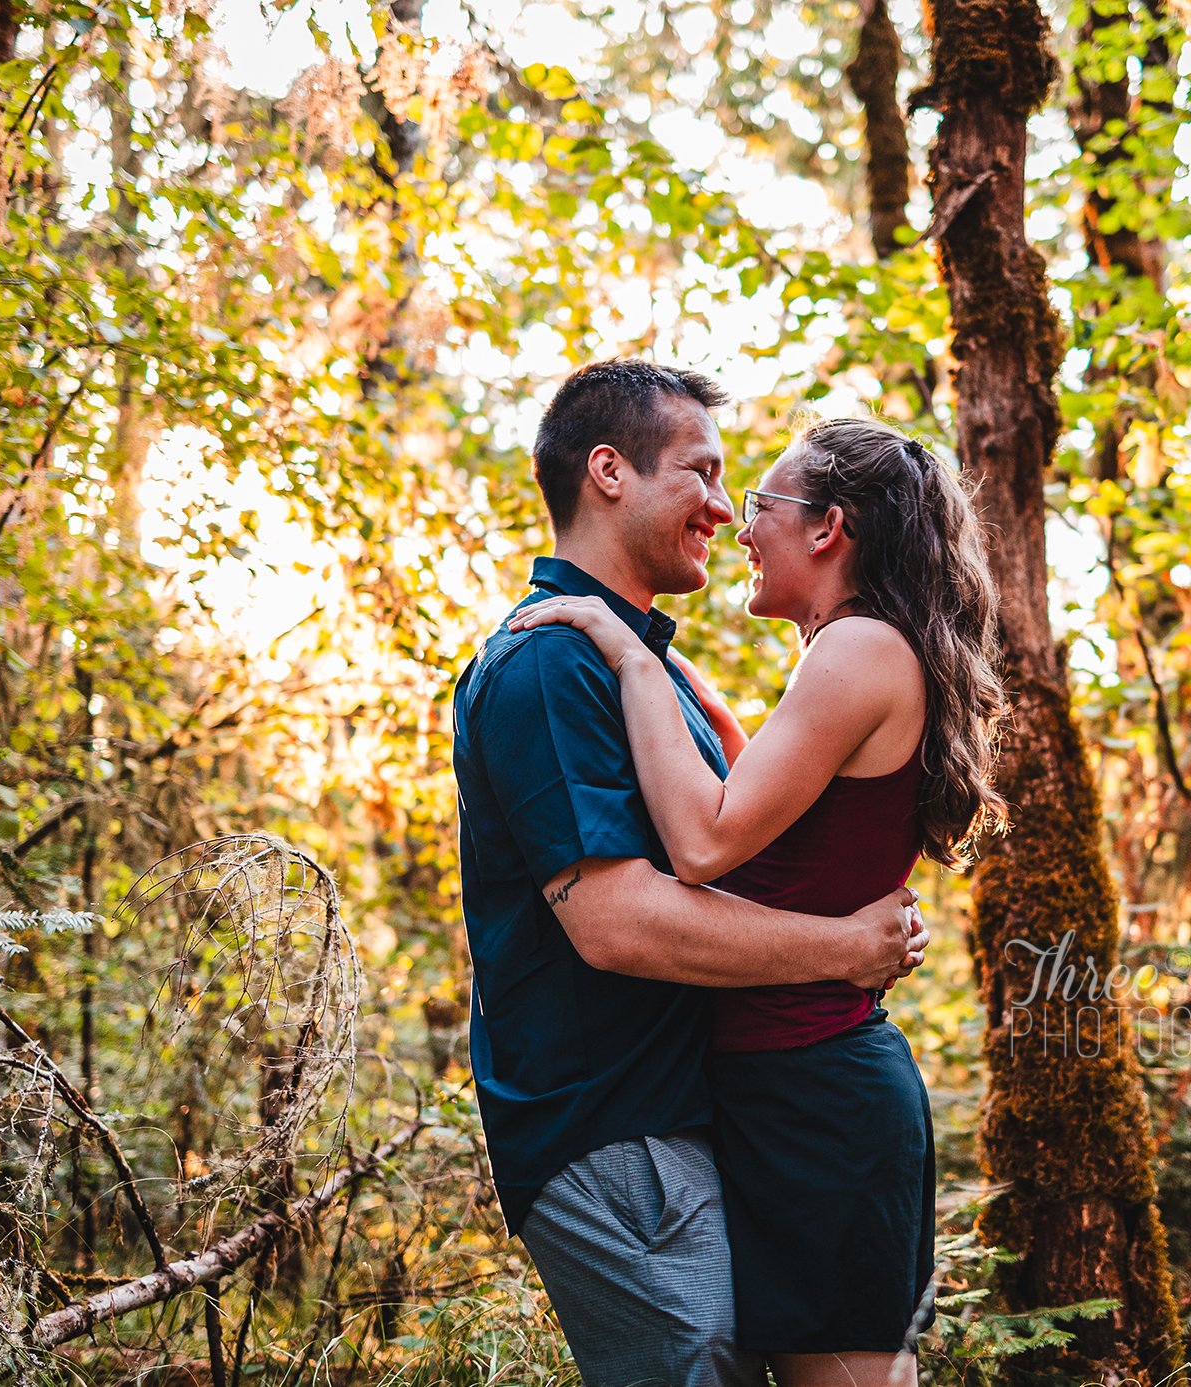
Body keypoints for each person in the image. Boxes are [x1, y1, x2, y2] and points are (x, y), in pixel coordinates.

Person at [452, 363, 929, 1387]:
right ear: (609, 472)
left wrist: (664, 676)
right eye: (704, 474)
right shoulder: (548, 666)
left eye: (744, 490)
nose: (725, 508)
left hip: (706, 1118)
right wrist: (848, 946)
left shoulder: (639, 667)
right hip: (613, 1128)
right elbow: (617, 923)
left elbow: (752, 841)